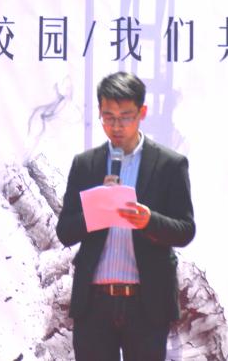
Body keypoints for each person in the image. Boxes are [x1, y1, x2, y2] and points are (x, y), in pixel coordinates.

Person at [56, 72, 195, 361]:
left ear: (142, 113)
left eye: (125, 117)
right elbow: (65, 231)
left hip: (146, 303)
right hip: (94, 303)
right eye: (108, 117)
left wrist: (149, 220)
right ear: (99, 113)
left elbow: (185, 230)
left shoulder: (170, 165)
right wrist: (96, 210)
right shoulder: (85, 164)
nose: (116, 126)